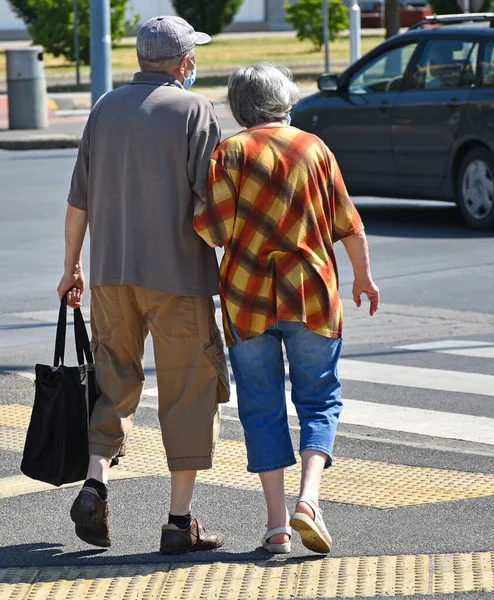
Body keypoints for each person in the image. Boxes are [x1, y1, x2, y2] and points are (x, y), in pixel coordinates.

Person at [57, 15, 230, 555]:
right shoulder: (194, 110)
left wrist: (72, 268)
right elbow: (211, 201)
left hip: (111, 275)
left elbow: (78, 201)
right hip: (178, 278)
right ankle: (179, 523)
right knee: (189, 393)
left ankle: (94, 485)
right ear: (183, 62)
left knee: (113, 381)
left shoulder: (104, 108)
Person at [194, 63, 380, 555]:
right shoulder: (313, 148)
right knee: (318, 398)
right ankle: (310, 500)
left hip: (247, 297)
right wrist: (363, 277)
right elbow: (349, 222)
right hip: (312, 294)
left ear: (239, 106)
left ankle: (277, 526)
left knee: (260, 406)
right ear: (285, 101)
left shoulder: (230, 153)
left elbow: (212, 231)